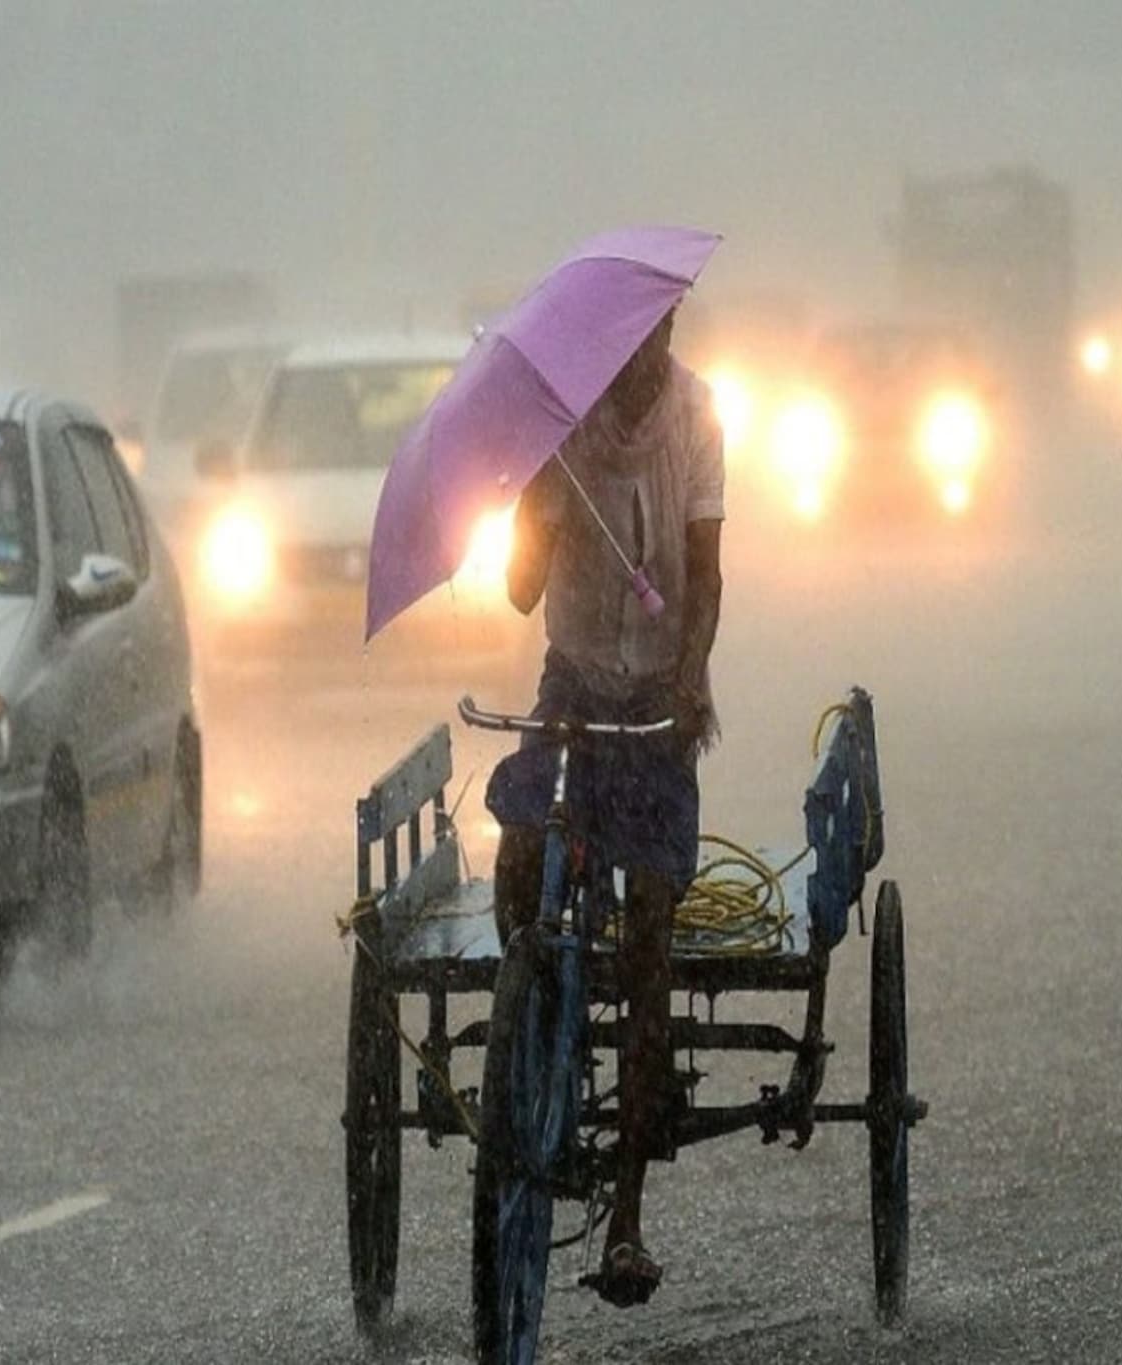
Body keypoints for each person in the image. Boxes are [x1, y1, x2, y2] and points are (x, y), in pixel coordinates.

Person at [484, 304, 725, 1308]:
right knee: (517, 854)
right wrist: (536, 503)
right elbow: (517, 594)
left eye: (656, 340)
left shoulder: (698, 419)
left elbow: (705, 575)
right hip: (575, 688)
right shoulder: (560, 428)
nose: (642, 361)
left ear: (669, 332)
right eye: (624, 345)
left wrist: (689, 674)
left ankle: (624, 1218)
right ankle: (535, 1026)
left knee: (649, 948)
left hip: (657, 706)